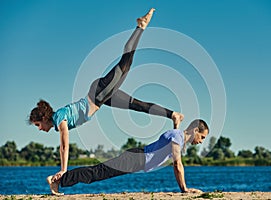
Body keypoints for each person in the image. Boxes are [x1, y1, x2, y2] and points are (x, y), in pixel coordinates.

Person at [28, 8, 184, 184]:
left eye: (38, 125)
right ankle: (173, 114)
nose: (40, 129)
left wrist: (64, 169)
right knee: (135, 104)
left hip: (98, 94)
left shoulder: (60, 119)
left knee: (125, 63)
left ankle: (140, 27)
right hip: (101, 98)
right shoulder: (58, 120)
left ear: (43, 118)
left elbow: (64, 146)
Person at [47, 119, 209, 195]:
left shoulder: (178, 136)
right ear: (195, 130)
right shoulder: (177, 137)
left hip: (137, 159)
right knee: (97, 172)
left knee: (98, 172)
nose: (201, 142)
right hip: (136, 159)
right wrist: (184, 190)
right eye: (202, 137)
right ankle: (58, 180)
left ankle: (61, 180)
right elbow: (177, 165)